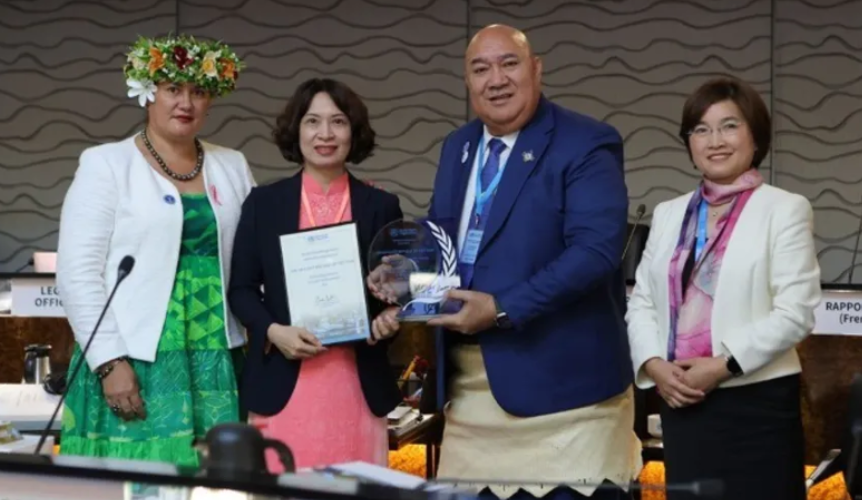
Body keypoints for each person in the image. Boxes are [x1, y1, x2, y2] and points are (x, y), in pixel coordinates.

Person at [370, 24, 640, 500]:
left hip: (568, 404)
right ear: (468, 83)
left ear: (536, 69)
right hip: (470, 401)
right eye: (480, 68)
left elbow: (595, 252)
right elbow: (444, 240)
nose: (496, 79)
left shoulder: (586, 141)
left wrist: (499, 308)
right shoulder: (459, 147)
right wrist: (407, 276)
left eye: (508, 63)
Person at [56, 34, 253, 466]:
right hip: (136, 356)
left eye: (198, 92)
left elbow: (258, 256)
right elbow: (77, 273)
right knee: (139, 480)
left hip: (217, 355)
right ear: (148, 95)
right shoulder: (106, 164)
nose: (186, 103)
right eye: (172, 90)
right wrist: (109, 362)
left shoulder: (232, 164)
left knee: (216, 480)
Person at [626, 76, 822, 500]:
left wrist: (723, 364)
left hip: (755, 404)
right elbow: (642, 301)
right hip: (681, 401)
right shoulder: (668, 213)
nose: (714, 140)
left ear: (756, 136)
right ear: (690, 143)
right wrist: (655, 364)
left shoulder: (784, 209)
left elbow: (796, 312)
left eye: (729, 126)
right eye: (700, 129)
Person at [228, 77, 404, 472]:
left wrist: (392, 317)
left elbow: (394, 293)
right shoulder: (264, 204)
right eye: (312, 121)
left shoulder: (381, 205)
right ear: (296, 130)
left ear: (353, 132)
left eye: (338, 122)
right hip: (283, 380)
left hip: (356, 383)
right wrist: (274, 331)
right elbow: (240, 290)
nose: (325, 134)